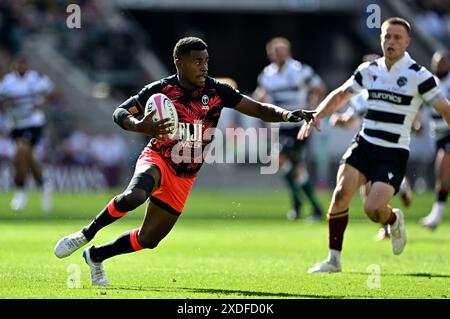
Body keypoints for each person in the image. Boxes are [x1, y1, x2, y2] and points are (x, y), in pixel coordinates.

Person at [54, 37, 315, 286]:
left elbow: (258, 109)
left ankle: (96, 256)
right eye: (197, 61)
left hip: (185, 175)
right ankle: (85, 234)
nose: (203, 67)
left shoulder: (216, 91)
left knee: (149, 239)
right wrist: (138, 125)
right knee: (135, 195)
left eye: (206, 61)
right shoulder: (162, 89)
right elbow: (120, 111)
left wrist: (289, 115)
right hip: (158, 157)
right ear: (179, 63)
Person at [298, 17, 450, 273]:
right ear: (381, 38)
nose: (391, 42)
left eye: (397, 37)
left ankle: (393, 218)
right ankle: (333, 259)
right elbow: (341, 95)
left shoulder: (419, 76)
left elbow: (445, 109)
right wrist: (316, 115)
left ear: (407, 42)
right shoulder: (369, 70)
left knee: (373, 209)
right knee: (341, 194)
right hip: (364, 144)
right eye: (387, 36)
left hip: (393, 153)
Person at [329, 53, 414, 241]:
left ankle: (399, 190)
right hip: (367, 144)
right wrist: (341, 120)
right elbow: (353, 120)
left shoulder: (396, 87)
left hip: (390, 146)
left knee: (374, 191)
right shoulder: (360, 95)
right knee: (367, 194)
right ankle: (388, 221)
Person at [253, 37, 326, 222]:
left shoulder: (300, 70)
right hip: (280, 126)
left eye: (283, 50)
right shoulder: (267, 74)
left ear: (289, 52)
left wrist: (311, 107)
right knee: (292, 167)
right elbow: (260, 95)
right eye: (276, 51)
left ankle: (304, 205)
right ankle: (307, 205)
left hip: (298, 126)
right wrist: (260, 98)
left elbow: (319, 88)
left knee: (284, 161)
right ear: (270, 54)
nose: (280, 54)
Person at [0, 56, 55, 212]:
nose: (22, 67)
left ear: (27, 65)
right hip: (15, 123)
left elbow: (52, 93)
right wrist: (8, 102)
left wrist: (42, 103)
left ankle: (20, 190)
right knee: (23, 157)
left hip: (33, 122)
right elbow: (2, 101)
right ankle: (44, 185)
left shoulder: (36, 78)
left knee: (23, 149)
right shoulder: (7, 81)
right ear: (15, 66)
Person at [421, 49, 450, 230]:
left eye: (444, 61)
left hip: (449, 132)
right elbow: (418, 105)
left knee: (443, 166)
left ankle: (437, 214)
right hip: (437, 134)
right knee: (441, 174)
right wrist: (415, 123)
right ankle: (437, 213)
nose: (440, 64)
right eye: (438, 61)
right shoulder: (429, 82)